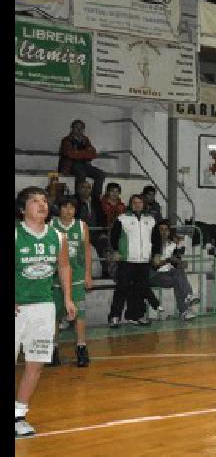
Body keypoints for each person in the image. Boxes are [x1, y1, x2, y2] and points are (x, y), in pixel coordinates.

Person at [15, 186, 76, 437]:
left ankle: (18, 415)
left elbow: (63, 267)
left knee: (36, 363)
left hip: (44, 306)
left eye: (44, 201)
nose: (42, 205)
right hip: (18, 307)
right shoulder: (17, 235)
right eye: (35, 201)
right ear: (22, 209)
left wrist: (68, 298)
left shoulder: (58, 236)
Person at [49, 196, 93, 368]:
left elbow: (87, 251)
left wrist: (88, 274)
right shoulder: (51, 225)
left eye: (72, 207)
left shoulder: (82, 226)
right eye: (65, 207)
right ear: (59, 209)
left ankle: (81, 348)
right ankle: (53, 349)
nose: (69, 211)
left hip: (76, 278)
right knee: (55, 316)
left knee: (79, 315)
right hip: (55, 279)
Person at [108, 194, 158, 327]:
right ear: (130, 204)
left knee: (140, 290)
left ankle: (137, 316)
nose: (137, 205)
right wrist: (116, 251)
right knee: (121, 289)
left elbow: (156, 239)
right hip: (126, 260)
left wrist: (157, 254)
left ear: (144, 204)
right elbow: (113, 236)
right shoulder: (122, 218)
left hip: (144, 261)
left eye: (140, 202)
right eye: (134, 202)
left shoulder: (151, 220)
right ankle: (114, 317)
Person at [150, 219, 201, 320]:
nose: (164, 232)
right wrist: (168, 260)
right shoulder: (152, 245)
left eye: (166, 229)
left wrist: (180, 263)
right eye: (161, 229)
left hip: (168, 274)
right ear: (156, 231)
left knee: (179, 274)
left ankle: (187, 301)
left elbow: (175, 262)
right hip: (154, 275)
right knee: (179, 280)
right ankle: (185, 306)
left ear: (169, 231)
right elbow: (154, 266)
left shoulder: (172, 245)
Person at [58, 119, 105, 199]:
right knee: (81, 173)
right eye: (76, 128)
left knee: (100, 174)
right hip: (70, 165)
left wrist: (79, 153)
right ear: (72, 128)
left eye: (81, 128)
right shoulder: (66, 140)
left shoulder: (85, 140)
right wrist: (85, 153)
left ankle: (95, 198)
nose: (79, 130)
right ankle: (79, 198)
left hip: (84, 165)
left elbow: (93, 154)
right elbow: (70, 154)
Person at [76, 180, 111, 277]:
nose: (86, 190)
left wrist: (103, 231)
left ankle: (106, 270)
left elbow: (103, 217)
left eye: (88, 188)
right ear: (78, 190)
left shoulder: (96, 202)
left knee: (104, 241)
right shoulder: (74, 202)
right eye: (83, 187)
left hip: (95, 232)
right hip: (80, 234)